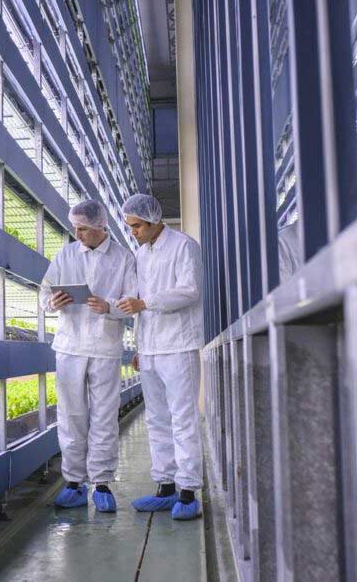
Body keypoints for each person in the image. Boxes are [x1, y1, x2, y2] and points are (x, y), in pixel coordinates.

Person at [39, 200, 136, 512]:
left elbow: (133, 301)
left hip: (105, 348)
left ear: (99, 228)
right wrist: (53, 302)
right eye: (75, 228)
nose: (76, 234)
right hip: (69, 346)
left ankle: (103, 482)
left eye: (82, 229)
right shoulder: (66, 254)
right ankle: (73, 482)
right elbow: (44, 293)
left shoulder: (123, 258)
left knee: (105, 416)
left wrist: (109, 306)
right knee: (70, 416)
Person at [116, 193, 204, 521]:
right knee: (156, 419)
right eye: (130, 227)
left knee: (182, 418)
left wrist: (146, 302)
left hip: (178, 345)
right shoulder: (141, 253)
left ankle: (188, 491)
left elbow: (190, 290)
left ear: (153, 221)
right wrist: (140, 347)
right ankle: (165, 487)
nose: (133, 232)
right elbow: (139, 308)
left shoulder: (183, 246)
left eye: (137, 226)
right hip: (151, 349)